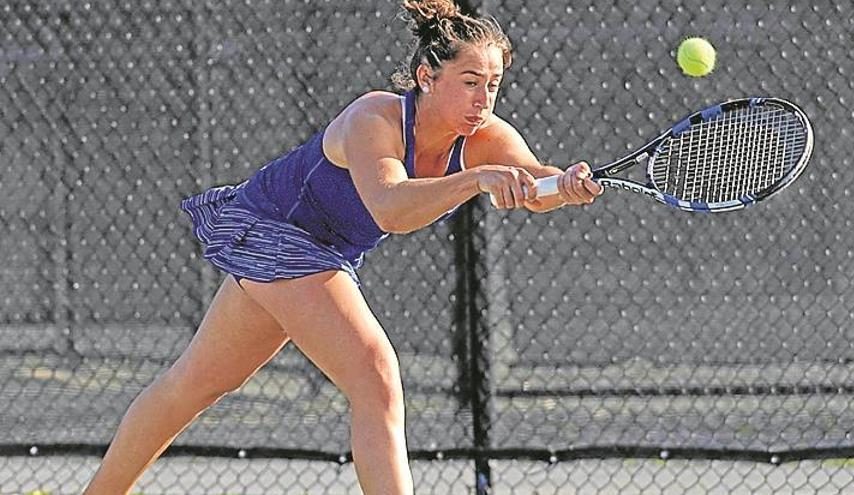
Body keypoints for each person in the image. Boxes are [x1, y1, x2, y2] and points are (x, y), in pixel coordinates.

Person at [82, 0, 602, 493]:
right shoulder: (374, 118)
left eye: (492, 85)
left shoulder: (484, 137)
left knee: (195, 384)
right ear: (427, 77)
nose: (482, 100)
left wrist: (566, 183)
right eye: (470, 83)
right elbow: (391, 208)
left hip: (323, 254)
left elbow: (533, 184)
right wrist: (475, 180)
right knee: (374, 375)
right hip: (276, 233)